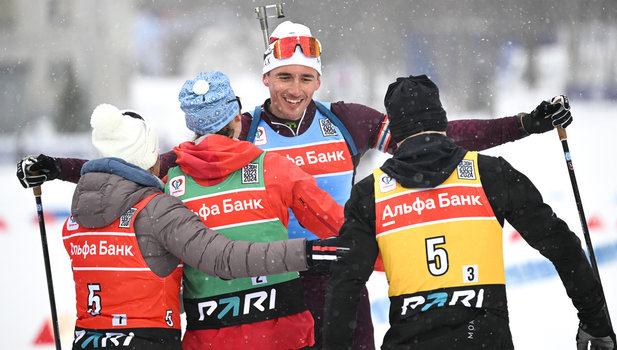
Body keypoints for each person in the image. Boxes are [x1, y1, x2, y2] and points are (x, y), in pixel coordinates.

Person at [16, 21, 573, 349]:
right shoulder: (245, 130)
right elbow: (144, 170)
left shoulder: (347, 121)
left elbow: (435, 135)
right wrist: (60, 167)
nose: (295, 89)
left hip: (343, 279)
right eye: (285, 77)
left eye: (306, 79)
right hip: (275, 286)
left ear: (319, 81)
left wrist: (523, 124)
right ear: (266, 79)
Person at [322, 75, 617, 349]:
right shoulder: (490, 174)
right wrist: (596, 322)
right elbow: (562, 246)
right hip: (484, 338)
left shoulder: (369, 194)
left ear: (395, 134)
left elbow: (344, 287)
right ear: (442, 121)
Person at [39, 103, 343, 350]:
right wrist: (308, 252)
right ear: (147, 157)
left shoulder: (75, 223)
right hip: (148, 342)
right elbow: (223, 258)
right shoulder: (158, 210)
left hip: (87, 340)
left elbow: (138, 281)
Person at [168, 70, 345, 349]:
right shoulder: (274, 169)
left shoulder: (171, 187)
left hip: (209, 339)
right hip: (283, 336)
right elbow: (339, 226)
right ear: (237, 117)